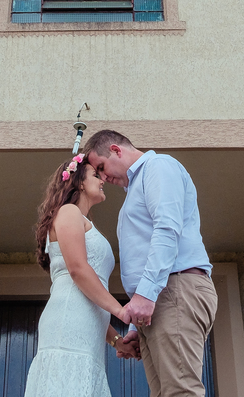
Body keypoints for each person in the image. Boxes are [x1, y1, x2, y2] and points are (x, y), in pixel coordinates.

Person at [85, 130, 217, 397]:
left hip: (175, 289)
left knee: (181, 392)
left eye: (101, 167)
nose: (104, 177)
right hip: (159, 299)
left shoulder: (158, 166)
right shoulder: (134, 190)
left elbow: (167, 228)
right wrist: (135, 324)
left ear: (116, 150)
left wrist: (145, 295)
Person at [24, 154, 137, 397]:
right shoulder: (68, 212)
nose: (102, 180)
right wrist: (121, 311)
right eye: (96, 175)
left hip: (88, 330)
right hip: (68, 321)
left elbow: (91, 294)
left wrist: (117, 340)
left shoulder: (82, 220)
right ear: (79, 183)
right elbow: (78, 269)